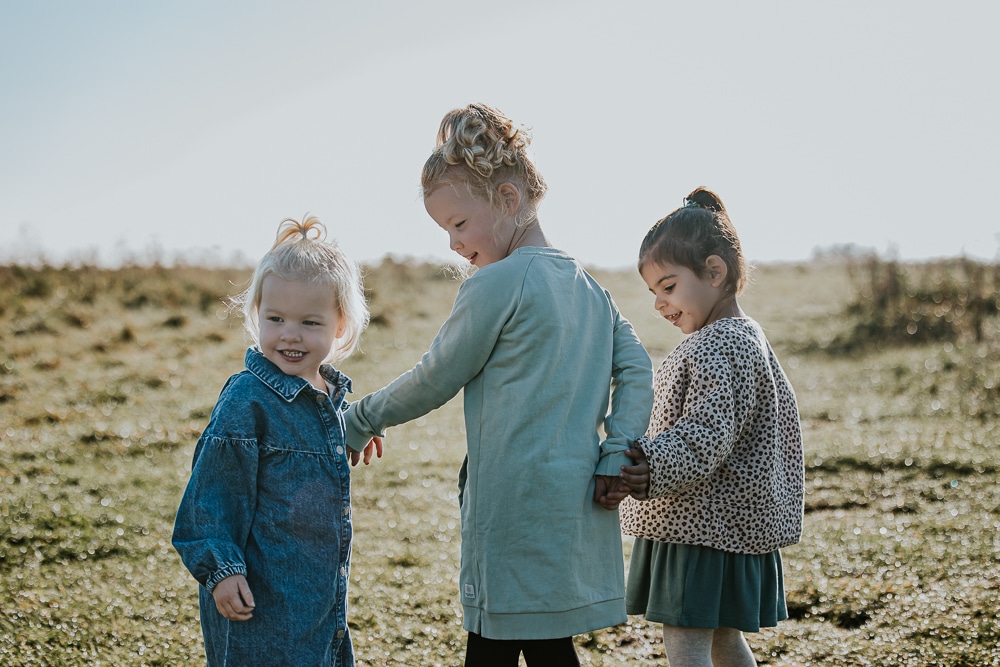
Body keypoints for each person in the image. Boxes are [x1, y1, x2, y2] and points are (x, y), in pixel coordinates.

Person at [343, 103, 654, 666]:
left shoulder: (497, 284)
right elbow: (635, 369)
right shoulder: (590, 288)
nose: (454, 244)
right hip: (570, 508)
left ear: (508, 200)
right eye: (445, 230)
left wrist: (360, 419)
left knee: (493, 645)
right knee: (544, 642)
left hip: (512, 509)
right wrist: (615, 452)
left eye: (459, 224)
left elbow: (436, 376)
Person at [172, 215, 380, 667]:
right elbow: (210, 499)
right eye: (275, 318)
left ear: (340, 326)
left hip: (318, 599)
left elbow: (331, 427)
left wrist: (360, 424)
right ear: (257, 317)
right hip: (258, 597)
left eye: (309, 321)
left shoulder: (331, 397)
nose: (289, 333)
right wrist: (221, 572)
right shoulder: (247, 399)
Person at [619, 187, 805, 667]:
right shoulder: (748, 336)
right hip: (731, 524)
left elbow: (706, 432)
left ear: (715, 271)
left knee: (686, 642)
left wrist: (653, 466)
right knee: (723, 639)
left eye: (669, 286)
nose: (660, 303)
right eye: (653, 292)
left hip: (699, 525)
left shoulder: (713, 345)